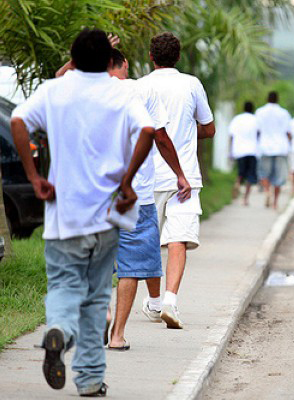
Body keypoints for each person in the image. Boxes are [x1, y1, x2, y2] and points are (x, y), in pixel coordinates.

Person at [10, 28, 155, 396]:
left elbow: (17, 121)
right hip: (107, 216)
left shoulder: (54, 90)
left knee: (63, 286)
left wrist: (34, 176)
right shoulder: (122, 92)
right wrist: (127, 181)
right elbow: (149, 130)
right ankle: (89, 379)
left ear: (72, 60)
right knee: (94, 298)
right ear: (110, 62)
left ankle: (58, 329)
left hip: (64, 216)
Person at [104, 48, 191, 349]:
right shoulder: (143, 90)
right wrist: (180, 173)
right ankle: (117, 336)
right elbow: (161, 138)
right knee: (130, 267)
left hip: (94, 195)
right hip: (136, 196)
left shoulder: (87, 93)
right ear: (125, 64)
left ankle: (103, 310)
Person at [137, 32, 215, 329]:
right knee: (177, 240)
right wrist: (185, 132)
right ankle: (170, 300)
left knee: (149, 242)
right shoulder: (192, 84)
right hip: (186, 177)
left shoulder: (140, 86)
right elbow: (209, 129)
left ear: (151, 56)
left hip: (148, 177)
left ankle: (155, 302)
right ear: (178, 57)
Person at [256, 91, 292, 210]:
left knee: (263, 173)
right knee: (279, 177)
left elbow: (257, 130)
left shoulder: (260, 112)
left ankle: (267, 191)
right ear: (278, 99)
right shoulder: (284, 113)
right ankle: (275, 202)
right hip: (281, 147)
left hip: (265, 146)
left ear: (267, 98)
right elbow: (288, 132)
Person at [229, 101, 259, 206]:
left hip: (239, 150)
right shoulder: (256, 119)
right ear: (252, 109)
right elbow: (259, 134)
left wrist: (231, 151)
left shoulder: (237, 119)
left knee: (241, 173)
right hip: (252, 150)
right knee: (250, 176)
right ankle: (245, 198)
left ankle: (237, 183)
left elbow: (231, 136)